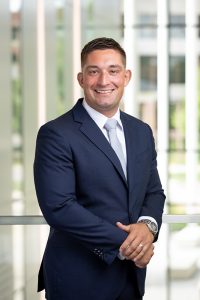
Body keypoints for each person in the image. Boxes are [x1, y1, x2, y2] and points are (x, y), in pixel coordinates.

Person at [34, 37, 165, 300]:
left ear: (126, 76)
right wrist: (131, 245)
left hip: (131, 278)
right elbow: (59, 207)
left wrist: (147, 228)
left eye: (113, 71)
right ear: (81, 79)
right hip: (78, 278)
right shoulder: (56, 134)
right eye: (94, 72)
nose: (104, 81)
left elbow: (153, 192)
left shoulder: (141, 131)